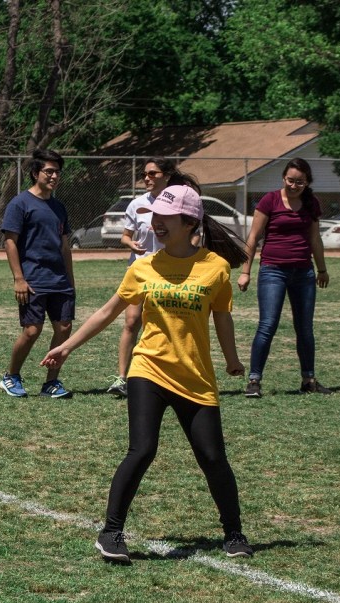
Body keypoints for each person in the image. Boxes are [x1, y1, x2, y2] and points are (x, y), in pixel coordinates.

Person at [41, 185, 254, 562]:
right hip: (148, 369)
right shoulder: (143, 267)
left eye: (164, 218)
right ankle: (111, 533)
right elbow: (108, 312)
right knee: (142, 450)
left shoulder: (215, 268)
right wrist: (67, 346)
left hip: (196, 376)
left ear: (190, 222)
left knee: (213, 458)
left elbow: (222, 317)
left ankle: (234, 533)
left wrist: (232, 360)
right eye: (153, 216)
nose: (155, 223)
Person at [237, 157, 330, 398]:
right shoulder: (270, 200)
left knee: (305, 328)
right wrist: (245, 271)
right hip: (273, 270)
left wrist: (321, 269)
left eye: (300, 181)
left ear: (307, 182)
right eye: (290, 180)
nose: (294, 185)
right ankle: (254, 380)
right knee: (268, 325)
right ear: (283, 179)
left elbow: (315, 239)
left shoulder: (311, 203)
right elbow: (253, 237)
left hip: (304, 272)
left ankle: (308, 379)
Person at [107, 158, 200, 397]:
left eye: (152, 173)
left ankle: (171, 376)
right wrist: (133, 244)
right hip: (140, 269)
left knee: (168, 323)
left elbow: (194, 236)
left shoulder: (181, 200)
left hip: (171, 273)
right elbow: (125, 237)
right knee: (131, 322)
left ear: (167, 175)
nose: (147, 178)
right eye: (144, 174)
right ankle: (122, 378)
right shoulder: (137, 204)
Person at [0, 148, 75, 399]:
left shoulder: (59, 206)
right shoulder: (19, 203)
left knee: (64, 329)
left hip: (59, 280)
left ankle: (51, 383)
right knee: (32, 331)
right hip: (33, 279)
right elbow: (10, 242)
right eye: (49, 171)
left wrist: (70, 280)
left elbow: (64, 245)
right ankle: (11, 376)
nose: (54, 176)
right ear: (35, 173)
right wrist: (19, 278)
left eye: (57, 172)